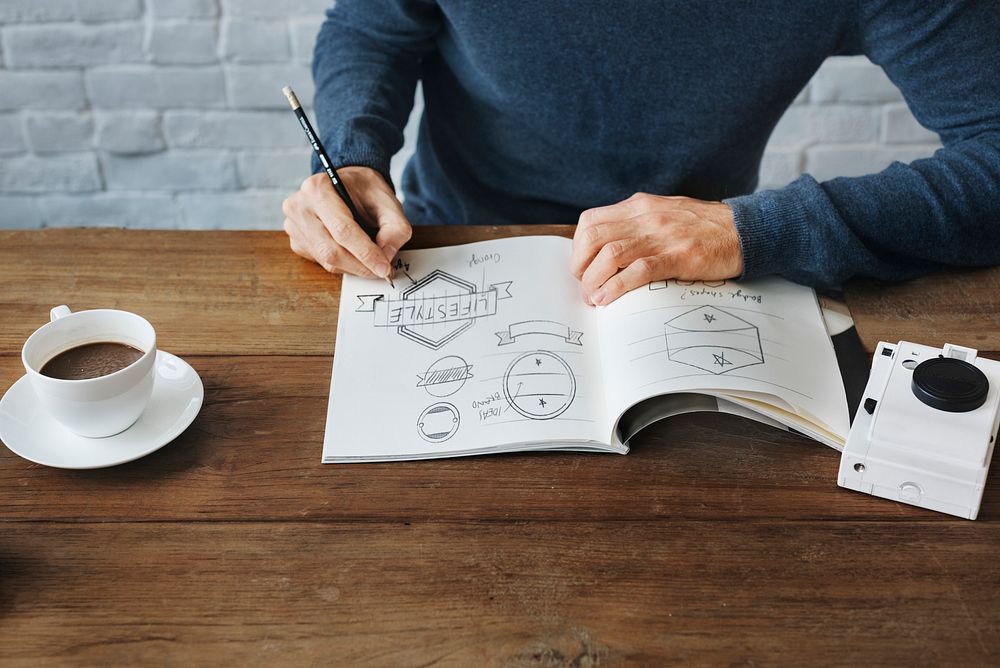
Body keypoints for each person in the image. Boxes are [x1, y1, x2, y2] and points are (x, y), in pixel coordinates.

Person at [281, 1, 1000, 305]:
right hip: (444, 247)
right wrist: (351, 157)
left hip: (698, 276)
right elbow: (372, 27)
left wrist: (755, 229)